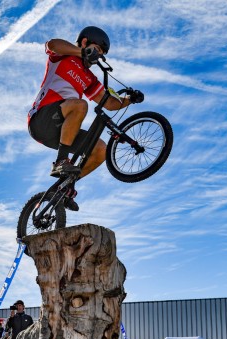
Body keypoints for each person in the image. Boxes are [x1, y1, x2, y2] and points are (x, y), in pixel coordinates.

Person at [27, 26, 143, 211]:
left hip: (61, 130)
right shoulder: (64, 56)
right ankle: (61, 162)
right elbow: (52, 44)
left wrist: (129, 100)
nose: (97, 56)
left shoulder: (89, 77)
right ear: (84, 42)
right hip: (42, 119)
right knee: (81, 105)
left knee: (100, 150)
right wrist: (81, 52)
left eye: (101, 54)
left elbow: (109, 103)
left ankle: (64, 187)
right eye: (97, 50)